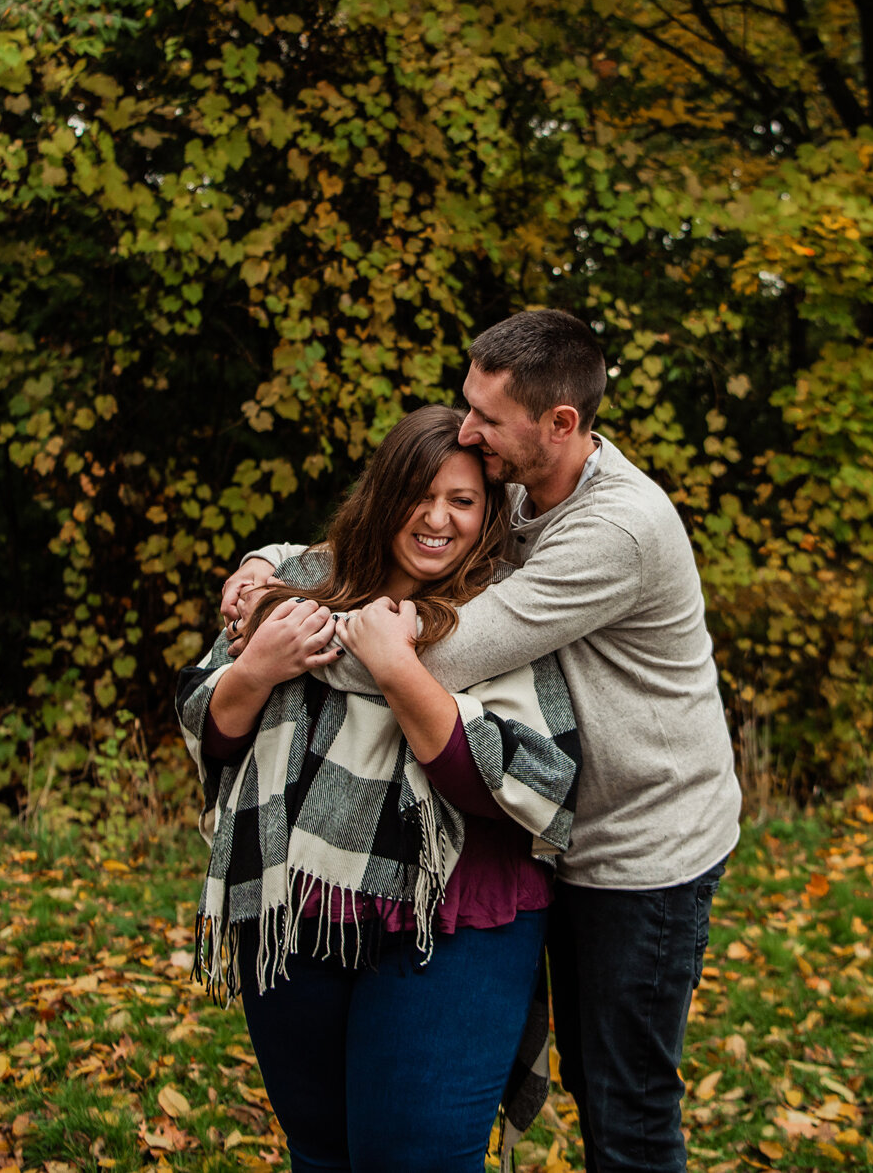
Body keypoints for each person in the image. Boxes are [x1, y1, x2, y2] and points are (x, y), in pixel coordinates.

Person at [225, 309, 743, 1173]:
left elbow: (431, 656)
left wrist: (282, 633)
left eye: (486, 417)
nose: (467, 429)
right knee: (589, 1073)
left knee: (627, 1106)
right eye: (467, 405)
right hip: (559, 836)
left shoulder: (615, 530)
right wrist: (263, 564)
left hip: (641, 844)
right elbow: (376, 532)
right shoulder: (513, 481)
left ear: (561, 423)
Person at [177, 404, 580, 1173]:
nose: (436, 519)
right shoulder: (302, 582)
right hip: (295, 905)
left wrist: (398, 669)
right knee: (322, 1147)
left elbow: (526, 778)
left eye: (462, 501)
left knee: (416, 1155)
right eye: (417, 496)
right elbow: (211, 727)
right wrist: (260, 665)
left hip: (454, 913)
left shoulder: (505, 612)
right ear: (381, 495)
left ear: (488, 511)